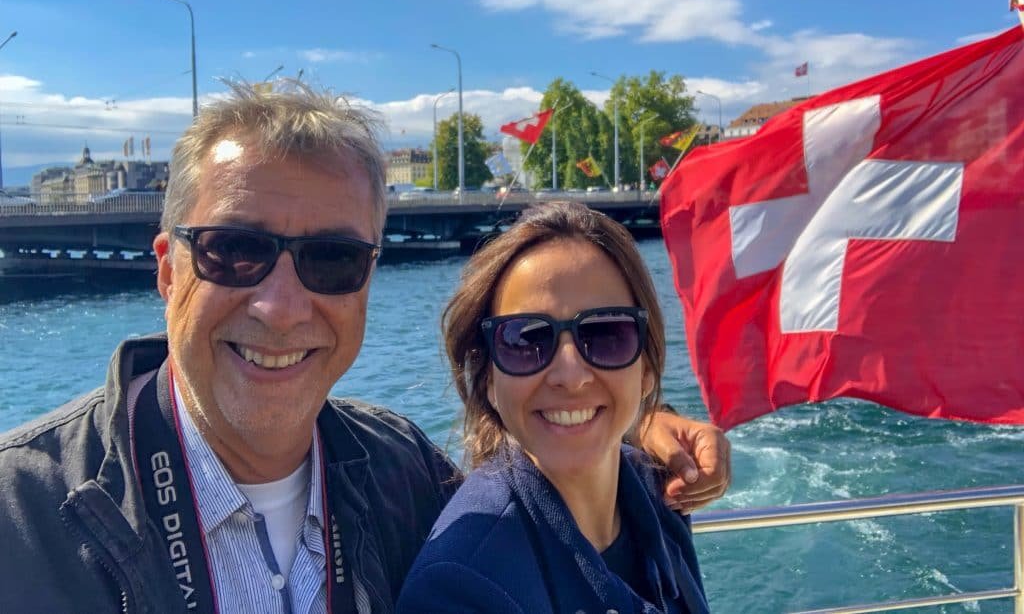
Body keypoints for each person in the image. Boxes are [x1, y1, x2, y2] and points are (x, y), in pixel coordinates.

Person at [0, 82, 728, 613]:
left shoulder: (397, 469)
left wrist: (634, 419)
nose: (281, 306)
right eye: (234, 250)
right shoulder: (22, 516)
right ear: (167, 267)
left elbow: (540, 453)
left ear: (367, 276)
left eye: (331, 260)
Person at [398, 202, 709, 614]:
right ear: (488, 378)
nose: (570, 374)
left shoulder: (659, 493)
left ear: (647, 369)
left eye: (605, 334)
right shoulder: (460, 585)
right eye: (526, 341)